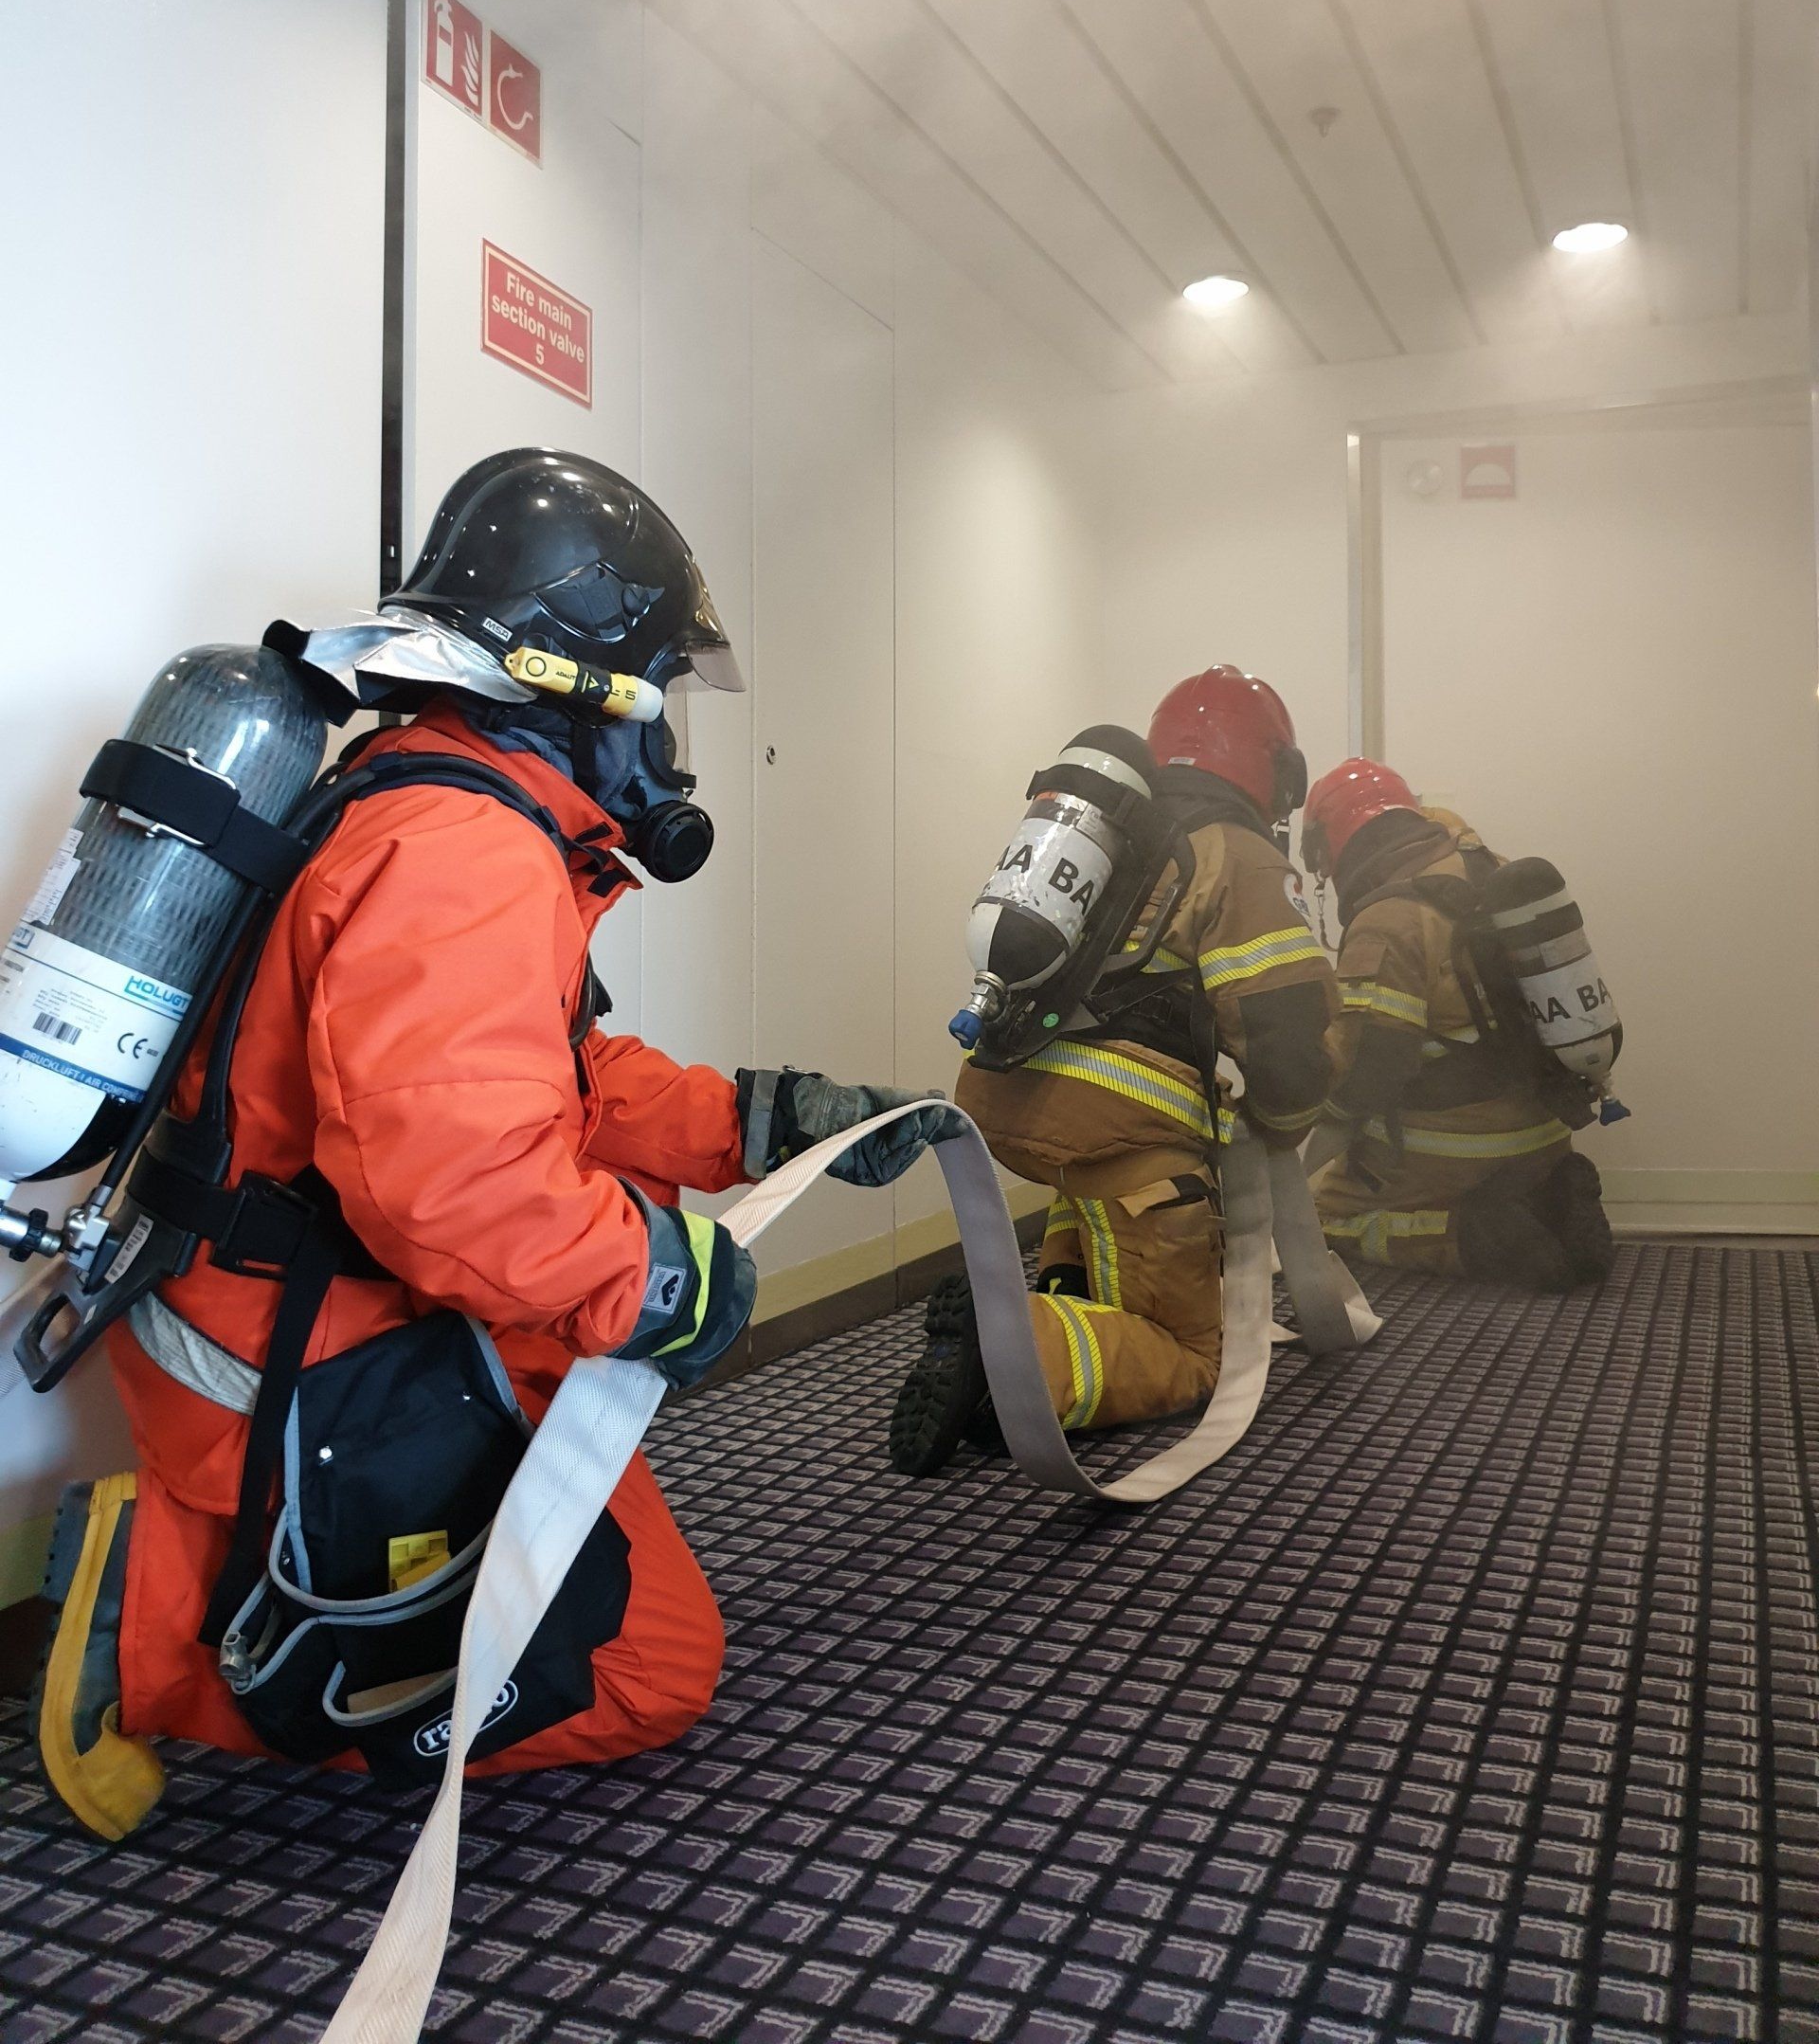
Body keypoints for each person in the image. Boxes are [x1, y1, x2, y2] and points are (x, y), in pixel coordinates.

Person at [37, 447, 943, 1839]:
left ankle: (203, 1569)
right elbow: (453, 1186)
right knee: (645, 1671)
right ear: (575, 687)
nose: (666, 741)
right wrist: (656, 1280)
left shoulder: (442, 804)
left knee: (586, 1580)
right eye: (660, 694)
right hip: (305, 1350)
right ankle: (145, 1625)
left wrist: (758, 1122)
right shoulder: (465, 850)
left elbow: (537, 1079)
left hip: (314, 1309)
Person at [891, 667, 1337, 1474]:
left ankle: (1062, 1303)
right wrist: (1281, 1122)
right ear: (1268, 765)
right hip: (1122, 1129)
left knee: (1101, 1192)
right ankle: (1016, 1354)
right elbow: (1288, 1031)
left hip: (1006, 1099)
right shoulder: (1237, 854)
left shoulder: (1113, 843)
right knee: (1194, 1349)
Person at [1300, 757, 1612, 1290]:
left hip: (1447, 1159)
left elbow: (1365, 1077)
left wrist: (1290, 1152)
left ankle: (1474, 1233)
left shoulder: (1388, 920)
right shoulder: (1492, 869)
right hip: (1545, 1134)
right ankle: (1550, 1197)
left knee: (1324, 1218)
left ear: (1332, 844)